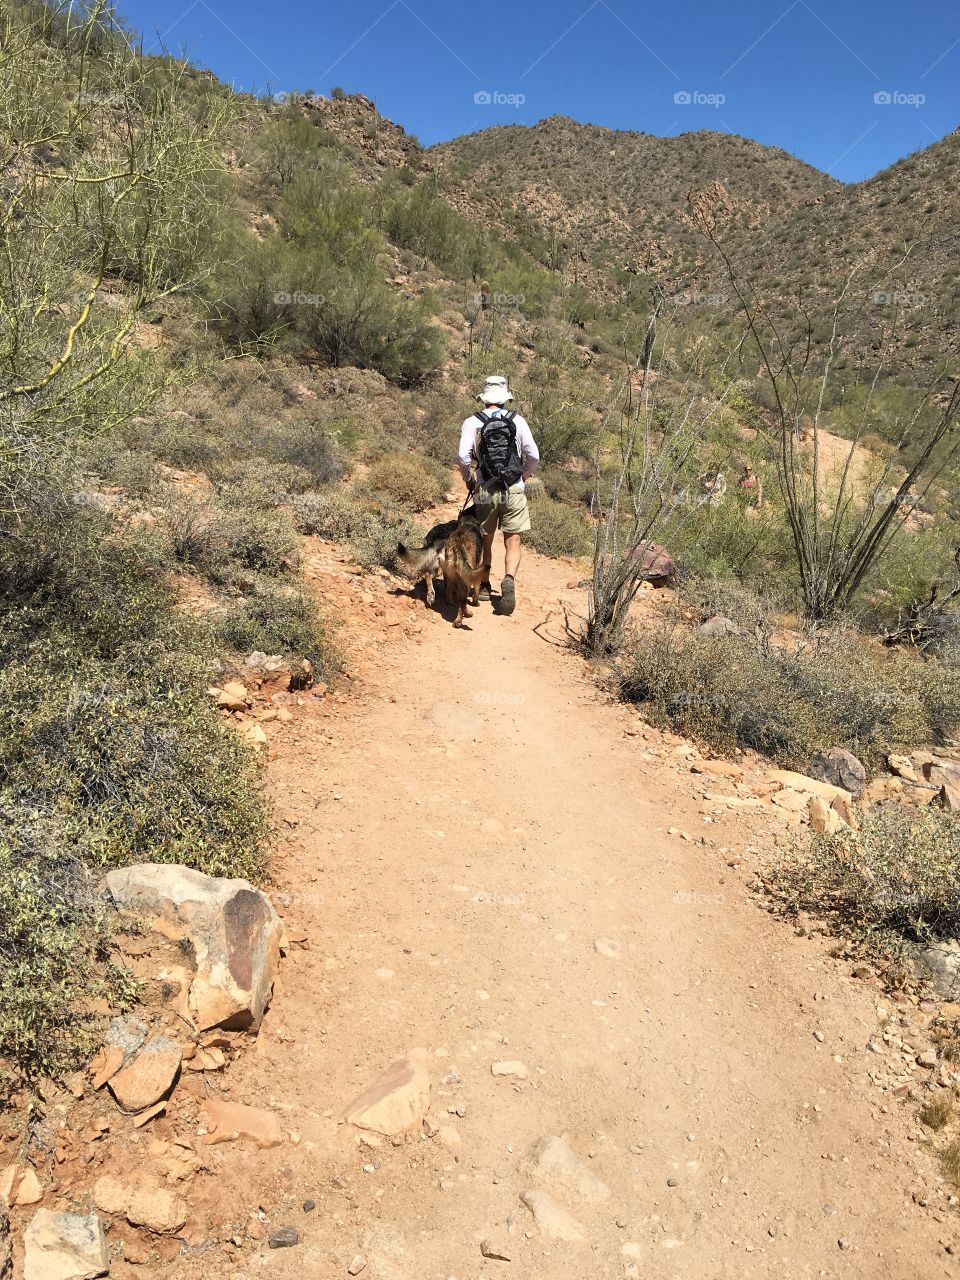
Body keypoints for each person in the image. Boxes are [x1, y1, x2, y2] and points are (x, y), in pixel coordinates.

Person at [458, 375, 540, 616]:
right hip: (513, 488)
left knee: (485, 538)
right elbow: (533, 455)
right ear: (505, 398)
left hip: (485, 489)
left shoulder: (472, 422)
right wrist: (523, 477)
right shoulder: (518, 421)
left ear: (484, 398)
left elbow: (463, 457)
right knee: (513, 540)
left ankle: (483, 585)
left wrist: (469, 480)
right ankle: (509, 580)